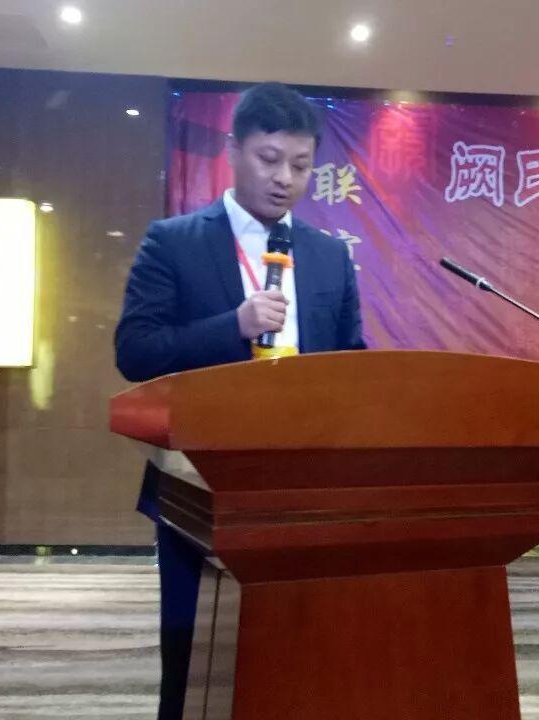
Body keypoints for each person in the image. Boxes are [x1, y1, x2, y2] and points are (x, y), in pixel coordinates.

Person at [114, 82, 366, 720]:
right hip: (199, 487)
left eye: (301, 165)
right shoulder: (174, 242)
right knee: (194, 651)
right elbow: (136, 351)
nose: (285, 178)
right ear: (233, 150)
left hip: (303, 487)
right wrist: (235, 325)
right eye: (269, 159)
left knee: (298, 649)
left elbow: (350, 358)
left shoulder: (329, 256)